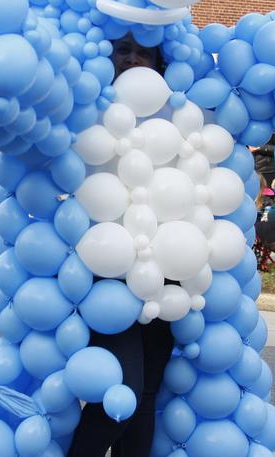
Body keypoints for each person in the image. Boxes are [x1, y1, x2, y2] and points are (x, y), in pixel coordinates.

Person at [67, 33, 172, 457]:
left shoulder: (171, 117)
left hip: (165, 272)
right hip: (103, 276)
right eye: (123, 49)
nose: (132, 59)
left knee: (147, 396)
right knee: (121, 395)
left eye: (142, 51)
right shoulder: (83, 113)